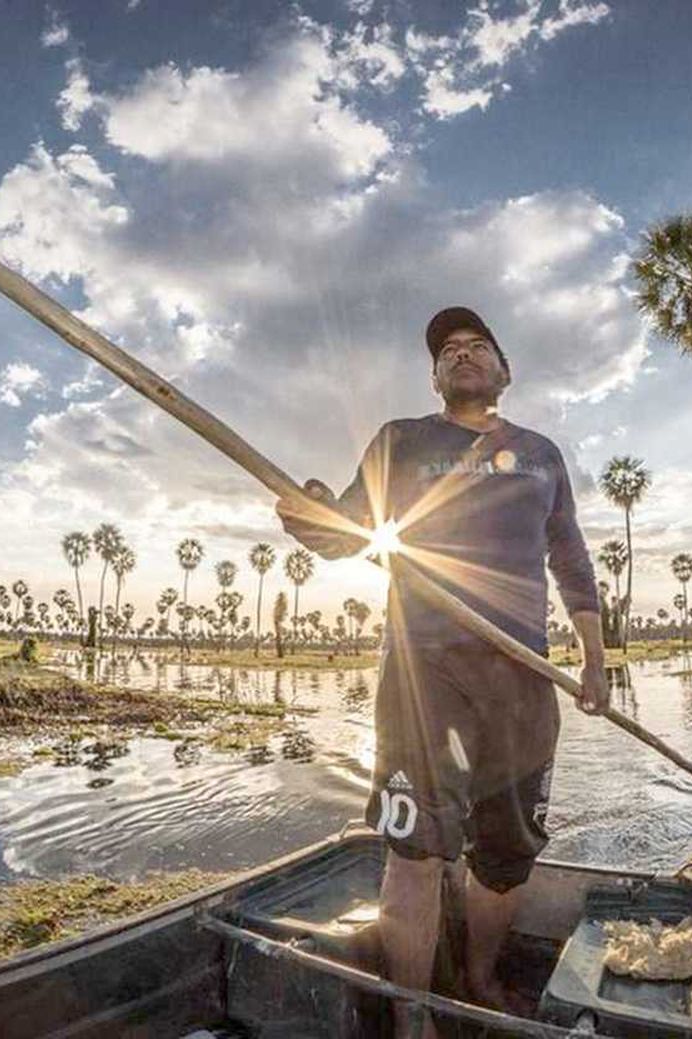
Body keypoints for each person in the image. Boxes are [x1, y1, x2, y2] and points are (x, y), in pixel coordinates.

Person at [276, 306, 611, 1037]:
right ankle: (412, 1012)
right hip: (423, 678)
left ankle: (482, 976)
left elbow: (573, 562)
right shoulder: (399, 443)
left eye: (477, 346)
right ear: (434, 377)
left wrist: (594, 658)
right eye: (447, 351)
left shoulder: (542, 455)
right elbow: (345, 531)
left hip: (523, 678)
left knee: (508, 852)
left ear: (504, 371)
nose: (461, 354)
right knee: (417, 846)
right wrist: (311, 515)